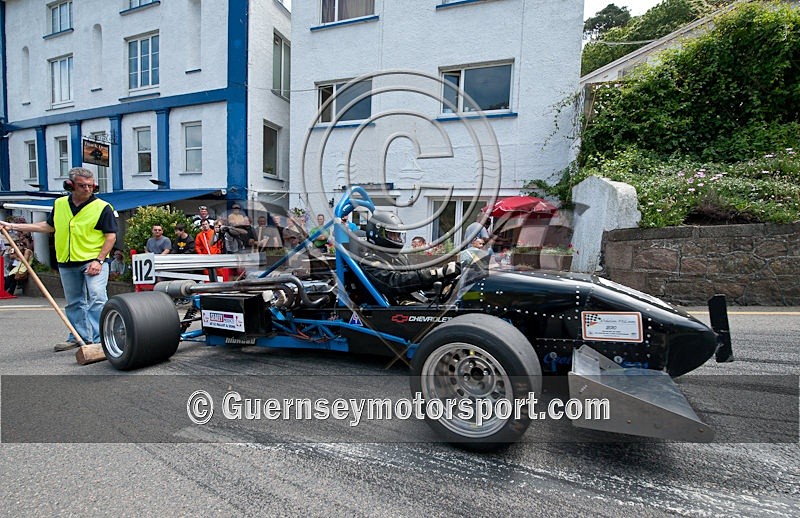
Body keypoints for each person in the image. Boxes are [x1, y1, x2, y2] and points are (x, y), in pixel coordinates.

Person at [0, 167, 117, 351]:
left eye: (90, 186)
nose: (87, 189)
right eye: (82, 186)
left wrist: (100, 260)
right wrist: (12, 225)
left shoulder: (102, 207)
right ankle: (78, 337)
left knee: (97, 297)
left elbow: (111, 236)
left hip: (93, 260)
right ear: (70, 185)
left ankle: (101, 340)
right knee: (74, 302)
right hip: (67, 262)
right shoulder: (61, 204)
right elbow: (48, 226)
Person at [360, 210, 460, 304]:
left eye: (398, 235)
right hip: (396, 307)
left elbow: (413, 276)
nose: (397, 239)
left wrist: (442, 275)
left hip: (414, 300)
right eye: (392, 235)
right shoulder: (369, 260)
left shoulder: (398, 257)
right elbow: (394, 283)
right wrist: (436, 273)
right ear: (378, 234)